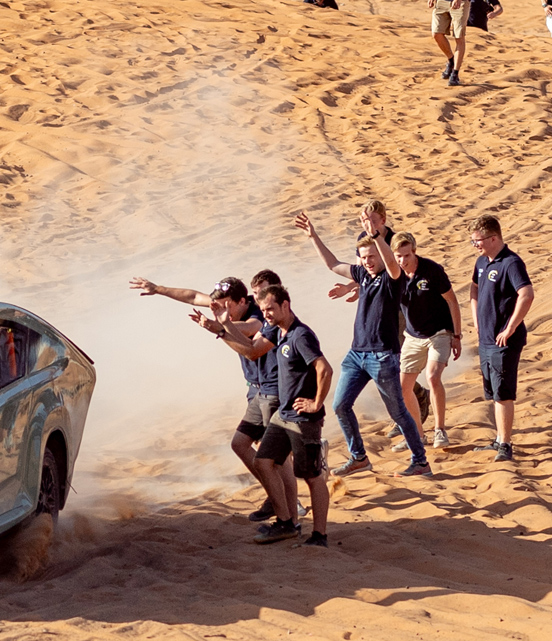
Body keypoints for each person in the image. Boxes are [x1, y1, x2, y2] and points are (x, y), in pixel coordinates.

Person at [131, 270, 300, 522]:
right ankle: (275, 495)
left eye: (227, 306)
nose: (221, 310)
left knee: (276, 456)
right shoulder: (231, 306)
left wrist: (220, 326)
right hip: (255, 388)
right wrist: (159, 289)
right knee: (244, 445)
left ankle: (289, 505)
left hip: (273, 389)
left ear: (242, 301)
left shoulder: (259, 315)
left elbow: (250, 331)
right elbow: (192, 296)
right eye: (219, 306)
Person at [298, 211, 431, 477]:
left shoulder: (393, 279)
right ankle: (359, 457)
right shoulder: (362, 274)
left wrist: (375, 235)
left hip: (383, 357)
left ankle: (420, 461)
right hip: (356, 355)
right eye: (364, 258)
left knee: (398, 412)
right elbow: (333, 264)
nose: (368, 262)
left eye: (372, 257)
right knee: (340, 405)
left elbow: (393, 265)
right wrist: (313, 236)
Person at [207, 286, 334, 547]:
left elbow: (325, 369)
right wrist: (222, 328)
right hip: (282, 414)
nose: (267, 315)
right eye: (263, 310)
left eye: (271, 309)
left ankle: (319, 535)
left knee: (311, 477)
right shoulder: (278, 331)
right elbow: (251, 350)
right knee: (264, 462)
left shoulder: (300, 335)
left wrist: (316, 403)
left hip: (302, 419)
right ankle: (286, 523)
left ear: (286, 306)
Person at [469, 215, 535, 461]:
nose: (475, 245)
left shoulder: (511, 263)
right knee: (492, 391)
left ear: (493, 238)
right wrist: (476, 318)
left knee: (503, 393)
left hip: (504, 341)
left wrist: (510, 328)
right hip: (485, 339)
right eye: (473, 241)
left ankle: (505, 444)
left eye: (478, 240)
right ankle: (498, 439)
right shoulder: (481, 262)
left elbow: (526, 294)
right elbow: (474, 288)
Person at [392, 233, 463, 448]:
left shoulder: (432, 270)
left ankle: (440, 430)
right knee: (403, 387)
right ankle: (418, 436)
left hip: (439, 333)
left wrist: (457, 336)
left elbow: (452, 301)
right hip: (412, 337)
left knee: (432, 377)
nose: (402, 261)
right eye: (398, 256)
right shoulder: (394, 275)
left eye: (406, 255)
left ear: (414, 251)